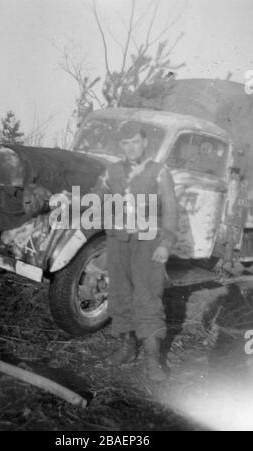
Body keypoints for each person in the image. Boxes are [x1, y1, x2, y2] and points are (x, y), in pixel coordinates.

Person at [92, 121, 178, 381]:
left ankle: (153, 360)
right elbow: (95, 197)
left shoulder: (159, 171)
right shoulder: (112, 171)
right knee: (120, 295)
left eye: (135, 142)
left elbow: (171, 209)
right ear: (121, 146)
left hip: (148, 244)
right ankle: (127, 348)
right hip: (118, 243)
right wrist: (64, 199)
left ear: (144, 143)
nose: (131, 148)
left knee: (148, 297)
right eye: (126, 143)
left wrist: (166, 242)